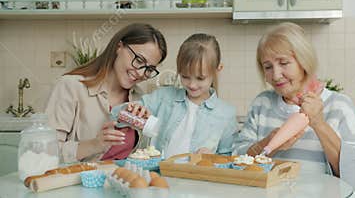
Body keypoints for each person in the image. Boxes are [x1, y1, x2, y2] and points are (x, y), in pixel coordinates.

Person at [232, 22, 355, 191]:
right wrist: (268, 143)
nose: (276, 75)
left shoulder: (339, 105)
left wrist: (319, 123)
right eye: (268, 67)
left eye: (284, 63)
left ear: (304, 61)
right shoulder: (262, 104)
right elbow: (235, 159)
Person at [46, 23, 167, 163]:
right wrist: (95, 144)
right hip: (78, 183)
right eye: (139, 60)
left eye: (149, 69)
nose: (140, 73)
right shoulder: (70, 87)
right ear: (119, 47)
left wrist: (147, 131)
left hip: (121, 182)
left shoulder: (138, 98)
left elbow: (141, 154)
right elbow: (46, 153)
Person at [112, 33, 237, 159]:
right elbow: (115, 115)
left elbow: (228, 159)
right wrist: (131, 112)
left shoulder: (226, 114)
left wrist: (213, 158)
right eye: (185, 76)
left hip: (197, 178)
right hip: (158, 175)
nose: (192, 85)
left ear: (217, 70)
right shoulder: (163, 97)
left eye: (200, 78)